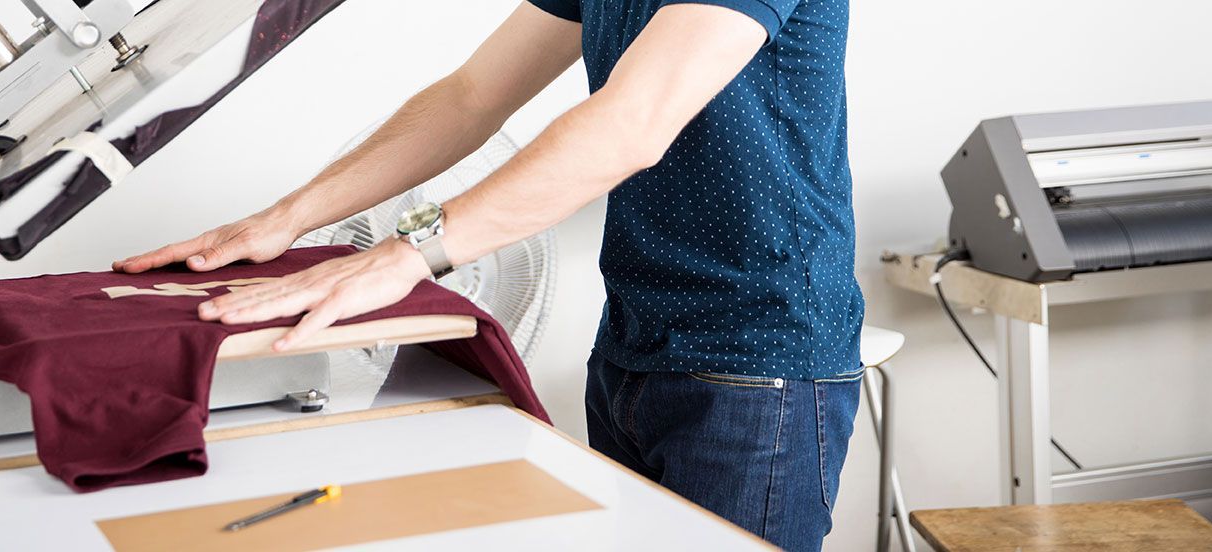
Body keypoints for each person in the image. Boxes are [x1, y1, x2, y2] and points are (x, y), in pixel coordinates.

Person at [114, 0, 862, 548]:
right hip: (635, 341)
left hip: (759, 359)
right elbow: (470, 95)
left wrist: (409, 255)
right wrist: (287, 217)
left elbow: (630, 124)